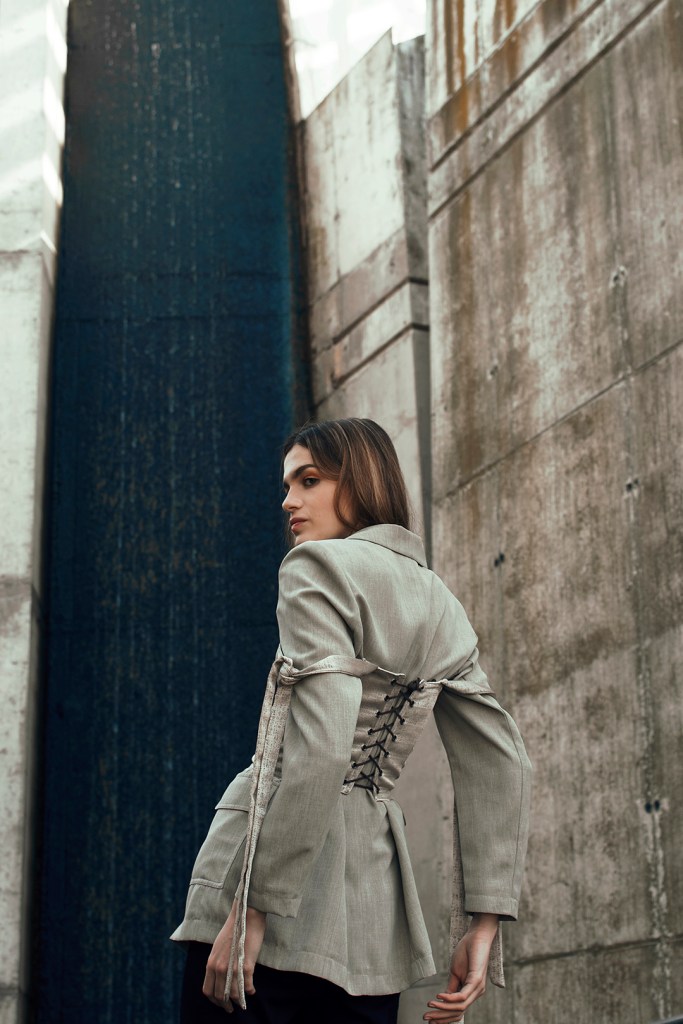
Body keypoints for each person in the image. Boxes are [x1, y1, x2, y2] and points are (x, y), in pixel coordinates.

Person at [171, 418, 532, 1024]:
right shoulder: (440, 602)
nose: (288, 500)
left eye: (309, 480)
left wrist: (253, 907)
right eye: (287, 485)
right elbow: (502, 760)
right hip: (370, 911)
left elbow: (322, 748)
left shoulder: (314, 566)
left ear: (361, 481)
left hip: (265, 884)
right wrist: (485, 920)